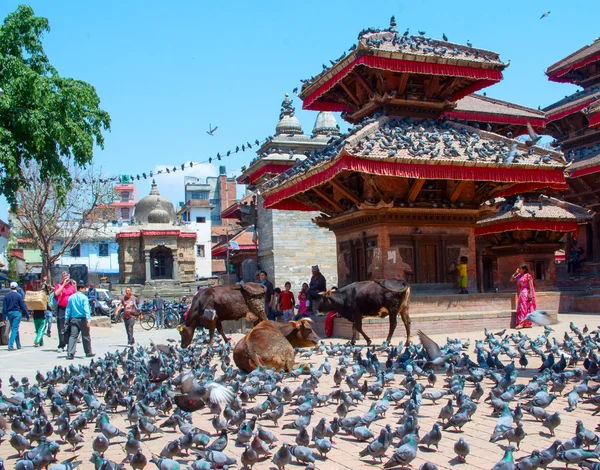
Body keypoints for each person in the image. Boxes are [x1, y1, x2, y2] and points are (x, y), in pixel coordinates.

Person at [65, 281, 95, 359]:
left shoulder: (71, 297)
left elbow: (68, 309)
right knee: (85, 336)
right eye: (84, 288)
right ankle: (88, 352)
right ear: (81, 289)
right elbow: (86, 309)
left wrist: (66, 319)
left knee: (73, 336)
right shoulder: (84, 298)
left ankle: (70, 353)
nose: (85, 290)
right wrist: (88, 320)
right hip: (83, 319)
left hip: (73, 319)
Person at [2, 282, 30, 350]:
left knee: (15, 329)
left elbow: (4, 308)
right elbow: (23, 306)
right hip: (17, 313)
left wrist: (4, 318)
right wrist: (27, 315)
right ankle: (10, 345)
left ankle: (18, 345)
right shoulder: (18, 295)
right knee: (15, 329)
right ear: (17, 287)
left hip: (9, 314)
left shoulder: (7, 296)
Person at [54, 272, 76, 352]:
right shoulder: (59, 286)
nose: (66, 278)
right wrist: (63, 284)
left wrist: (74, 286)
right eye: (64, 277)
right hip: (61, 308)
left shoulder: (71, 286)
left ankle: (69, 345)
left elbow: (75, 295)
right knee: (61, 327)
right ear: (62, 278)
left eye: (67, 277)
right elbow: (56, 293)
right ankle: (61, 344)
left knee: (71, 326)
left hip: (70, 308)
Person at [511, 264, 535, 329]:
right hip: (520, 292)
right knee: (521, 307)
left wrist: (530, 295)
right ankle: (525, 323)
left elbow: (530, 286)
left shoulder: (528, 276)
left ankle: (522, 323)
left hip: (525, 292)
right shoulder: (519, 276)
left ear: (524, 269)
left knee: (524, 307)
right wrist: (515, 273)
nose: (519, 270)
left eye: (520, 269)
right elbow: (511, 279)